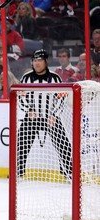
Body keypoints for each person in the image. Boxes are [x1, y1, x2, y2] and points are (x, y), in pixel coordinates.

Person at [17, 49, 72, 180]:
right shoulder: (26, 77)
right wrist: (28, 110)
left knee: (64, 143)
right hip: (32, 117)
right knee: (21, 143)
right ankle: (17, 172)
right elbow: (20, 96)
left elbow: (61, 98)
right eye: (34, 60)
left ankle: (68, 172)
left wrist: (54, 114)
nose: (36, 63)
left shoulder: (55, 77)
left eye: (39, 60)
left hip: (50, 118)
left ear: (46, 62)